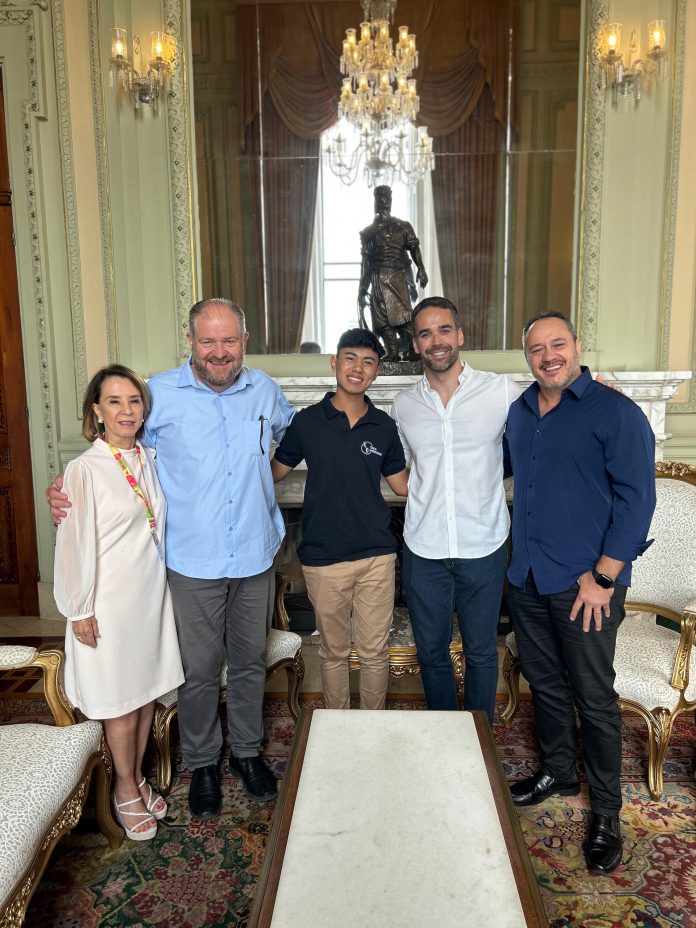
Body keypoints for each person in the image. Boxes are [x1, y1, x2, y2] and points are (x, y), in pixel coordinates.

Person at [48, 299, 295, 817]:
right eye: (208, 341)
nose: (219, 352)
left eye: (229, 341)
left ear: (244, 342)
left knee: (249, 662)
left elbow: (286, 447)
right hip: (191, 560)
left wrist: (260, 485)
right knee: (199, 670)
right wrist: (67, 489)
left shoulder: (266, 391)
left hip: (254, 555)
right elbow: (120, 454)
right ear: (191, 342)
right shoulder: (157, 394)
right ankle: (203, 763)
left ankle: (247, 754)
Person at [504, 312, 655, 876]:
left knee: (593, 697)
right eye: (537, 348)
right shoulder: (519, 412)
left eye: (558, 344)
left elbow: (638, 501)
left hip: (586, 586)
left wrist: (605, 577)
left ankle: (607, 814)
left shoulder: (616, 412)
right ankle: (558, 772)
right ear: (527, 357)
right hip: (527, 578)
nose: (548, 356)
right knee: (544, 684)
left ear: (577, 346)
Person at [53, 365, 184, 841]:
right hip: (107, 602)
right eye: (114, 401)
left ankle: (138, 775)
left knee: (145, 693)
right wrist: (80, 609)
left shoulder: (148, 457)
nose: (126, 410)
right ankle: (124, 788)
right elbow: (72, 545)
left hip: (148, 596)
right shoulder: (85, 470)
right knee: (121, 704)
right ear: (96, 410)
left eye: (133, 401)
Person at [390, 297, 521, 725]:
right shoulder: (403, 405)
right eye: (425, 333)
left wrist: (593, 392)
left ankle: (479, 737)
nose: (436, 341)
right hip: (424, 546)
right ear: (415, 345)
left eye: (444, 329)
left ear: (460, 335)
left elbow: (549, 422)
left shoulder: (501, 391)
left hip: (483, 543)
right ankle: (445, 734)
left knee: (482, 651)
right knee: (431, 652)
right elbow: (403, 470)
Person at [271, 328, 408, 709]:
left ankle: (372, 726)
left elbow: (402, 486)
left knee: (375, 652)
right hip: (324, 557)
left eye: (368, 362)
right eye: (350, 358)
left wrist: (453, 470)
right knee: (333, 652)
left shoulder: (384, 426)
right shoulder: (307, 422)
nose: (358, 368)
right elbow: (274, 474)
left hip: (376, 556)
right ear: (335, 363)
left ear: (377, 371)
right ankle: (339, 727)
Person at [358, 185, 428, 361]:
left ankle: (413, 349)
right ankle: (393, 351)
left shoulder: (402, 227)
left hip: (397, 276)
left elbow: (414, 248)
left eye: (387, 196)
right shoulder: (368, 233)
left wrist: (421, 268)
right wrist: (362, 288)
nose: (385, 200)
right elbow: (366, 263)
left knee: (404, 316)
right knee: (381, 318)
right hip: (377, 277)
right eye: (381, 197)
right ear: (375, 201)